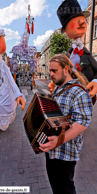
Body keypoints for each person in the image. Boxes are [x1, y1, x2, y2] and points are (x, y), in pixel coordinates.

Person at [39, 54, 93, 194]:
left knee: (65, 189)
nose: (50, 74)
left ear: (66, 69)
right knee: (56, 187)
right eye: (49, 71)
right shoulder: (57, 88)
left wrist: (58, 140)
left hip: (65, 151)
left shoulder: (79, 91)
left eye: (54, 71)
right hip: (52, 148)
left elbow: (82, 123)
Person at [57, 0, 97, 101]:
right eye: (74, 22)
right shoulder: (67, 55)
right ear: (66, 30)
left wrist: (95, 82)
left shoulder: (86, 54)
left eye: (83, 20)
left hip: (86, 96)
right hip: (68, 95)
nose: (82, 23)